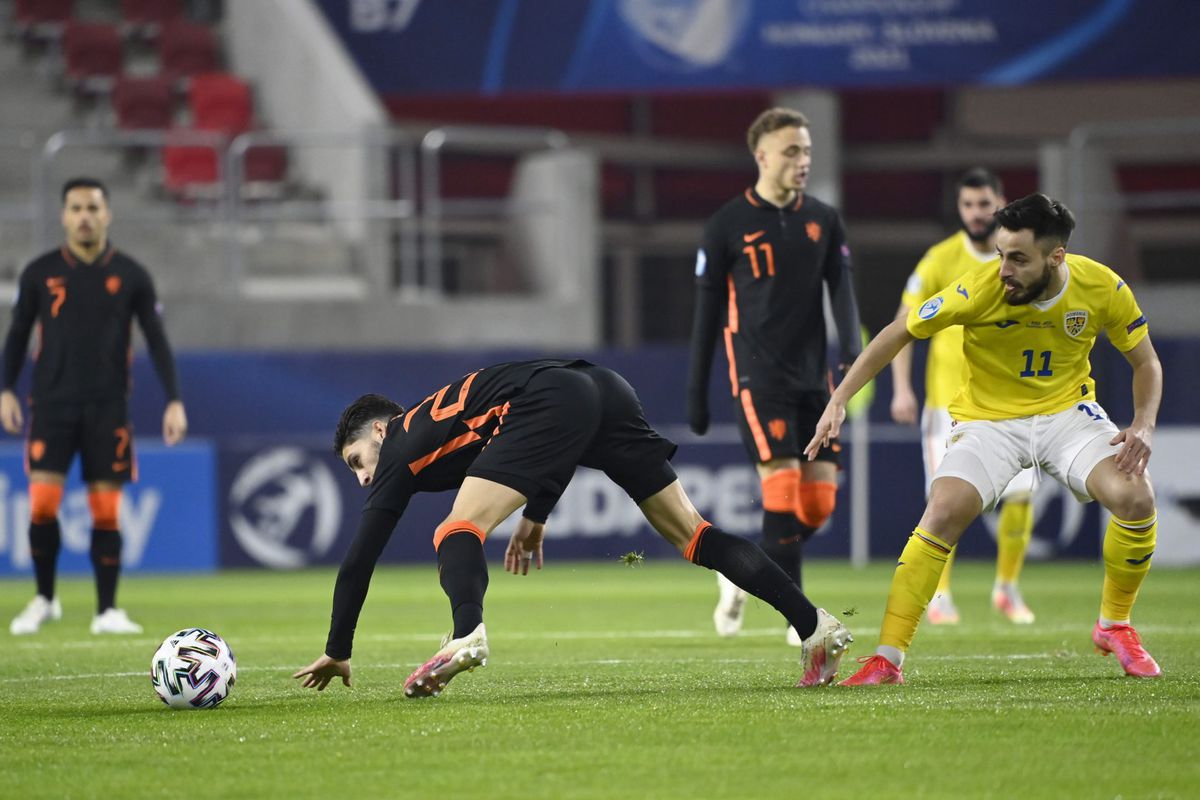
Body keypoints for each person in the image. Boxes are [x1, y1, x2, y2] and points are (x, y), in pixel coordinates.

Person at [292, 359, 854, 697]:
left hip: (553, 397)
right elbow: (553, 437)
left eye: (357, 460)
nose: (365, 477)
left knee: (455, 530)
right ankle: (815, 628)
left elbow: (359, 559)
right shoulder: (433, 425)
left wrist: (338, 647)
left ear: (380, 431)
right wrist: (536, 516)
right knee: (694, 535)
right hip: (603, 386)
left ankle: (466, 634)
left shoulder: (400, 447)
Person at [806, 193, 1163, 685]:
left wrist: (1142, 424)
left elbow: (1146, 362)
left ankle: (1115, 625)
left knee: (1135, 496)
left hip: (1066, 415)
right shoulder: (977, 290)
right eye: (1000, 255)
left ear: (1056, 257)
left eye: (1018, 258)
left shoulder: (1101, 286)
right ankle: (887, 659)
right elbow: (896, 333)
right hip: (988, 421)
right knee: (942, 510)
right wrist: (839, 398)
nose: (1003, 269)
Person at [686, 107, 862, 644]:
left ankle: (740, 572)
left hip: (815, 381)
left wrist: (853, 354)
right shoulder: (726, 225)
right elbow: (707, 314)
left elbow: (843, 288)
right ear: (761, 156)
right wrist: (698, 390)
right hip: (759, 381)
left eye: (806, 151)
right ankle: (800, 617)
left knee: (819, 505)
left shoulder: (825, 220)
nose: (803, 160)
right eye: (792, 151)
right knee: (781, 493)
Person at [4, 177, 188, 636]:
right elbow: (18, 334)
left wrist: (174, 400)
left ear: (107, 214)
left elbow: (157, 340)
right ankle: (45, 598)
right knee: (42, 502)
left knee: (106, 509)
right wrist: (5, 388)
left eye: (92, 207)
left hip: (108, 408)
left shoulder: (131, 275)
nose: (84, 216)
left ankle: (107, 609)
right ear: (64, 215)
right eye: (75, 208)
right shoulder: (40, 272)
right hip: (51, 404)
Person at [890, 168, 1037, 626]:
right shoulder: (939, 259)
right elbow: (904, 324)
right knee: (945, 501)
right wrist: (900, 389)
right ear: (959, 208)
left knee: (1021, 498)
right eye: (968, 205)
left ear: (1000, 202)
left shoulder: (1016, 259)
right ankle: (940, 596)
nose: (977, 213)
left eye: (984, 204)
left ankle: (1007, 588)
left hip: (1008, 404)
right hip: (946, 408)